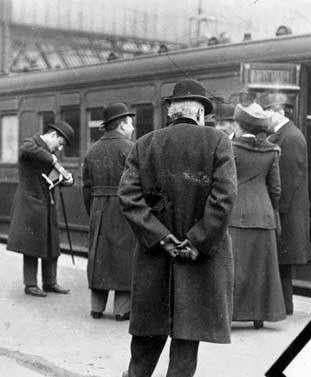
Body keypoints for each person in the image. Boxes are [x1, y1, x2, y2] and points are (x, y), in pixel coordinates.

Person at [118, 79, 237, 377]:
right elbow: (224, 198)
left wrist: (162, 238)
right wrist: (196, 241)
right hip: (199, 264)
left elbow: (129, 198)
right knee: (185, 347)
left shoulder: (144, 144)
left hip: (154, 259)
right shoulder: (218, 142)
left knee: (144, 347)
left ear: (171, 111)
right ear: (200, 113)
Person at [230, 104, 286, 329]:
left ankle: (232, 314)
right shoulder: (272, 151)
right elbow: (276, 189)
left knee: (236, 267)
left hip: (235, 215)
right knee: (262, 269)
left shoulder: (230, 148)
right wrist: (272, 211)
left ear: (239, 125)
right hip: (264, 215)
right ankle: (259, 316)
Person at [82, 103, 137, 321]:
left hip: (98, 207)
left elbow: (86, 188)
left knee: (100, 257)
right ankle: (122, 310)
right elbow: (137, 183)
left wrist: (94, 210)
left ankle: (96, 307)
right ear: (122, 124)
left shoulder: (92, 150)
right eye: (130, 123)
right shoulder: (130, 148)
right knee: (123, 257)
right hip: (124, 207)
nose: (132, 128)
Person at [7, 121, 74, 297]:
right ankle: (30, 284)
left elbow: (50, 178)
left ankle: (50, 282)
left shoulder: (46, 151)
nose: (59, 149)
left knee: (52, 242)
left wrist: (66, 180)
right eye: (59, 143)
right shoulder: (32, 143)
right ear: (53, 135)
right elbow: (26, 149)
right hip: (30, 202)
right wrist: (52, 159)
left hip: (47, 202)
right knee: (32, 244)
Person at [261, 92, 311, 315]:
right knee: (282, 263)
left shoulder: (290, 137)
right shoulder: (286, 134)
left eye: (267, 113)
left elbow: (289, 180)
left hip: (286, 213)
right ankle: (284, 306)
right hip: (287, 212)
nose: (265, 117)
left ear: (278, 112)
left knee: (283, 262)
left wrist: (277, 210)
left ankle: (285, 307)